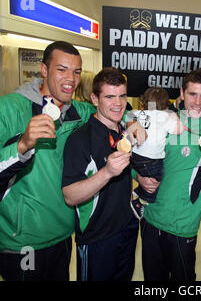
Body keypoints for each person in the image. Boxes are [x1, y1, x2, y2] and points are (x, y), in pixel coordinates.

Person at [0, 41, 144, 281]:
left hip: (62, 235)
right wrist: (22, 145)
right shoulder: (9, 107)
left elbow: (113, 109)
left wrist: (131, 119)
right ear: (44, 70)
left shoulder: (79, 111)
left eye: (76, 71)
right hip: (23, 240)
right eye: (62, 69)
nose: (71, 78)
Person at [137, 68, 201, 281]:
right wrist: (138, 177)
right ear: (181, 93)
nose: (198, 102)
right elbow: (136, 156)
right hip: (151, 219)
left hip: (183, 228)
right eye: (192, 94)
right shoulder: (162, 121)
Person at [62, 67, 139, 281]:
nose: (118, 103)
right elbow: (70, 195)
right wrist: (106, 172)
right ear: (95, 99)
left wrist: (140, 178)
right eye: (110, 97)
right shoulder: (80, 139)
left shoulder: (122, 130)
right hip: (97, 236)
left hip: (127, 226)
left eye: (122, 95)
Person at [130, 87, 183, 220]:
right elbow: (179, 129)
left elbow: (128, 115)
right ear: (166, 105)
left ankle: (138, 194)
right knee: (157, 178)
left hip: (135, 157)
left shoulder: (139, 113)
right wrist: (173, 114)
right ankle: (139, 200)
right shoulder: (165, 116)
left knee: (147, 176)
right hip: (151, 160)